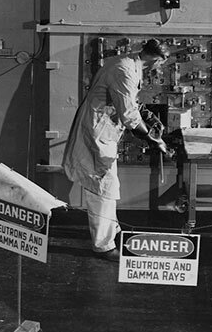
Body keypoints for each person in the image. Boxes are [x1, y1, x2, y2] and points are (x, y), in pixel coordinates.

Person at [62, 38, 171, 261]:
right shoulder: (125, 70)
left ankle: (111, 231)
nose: (159, 68)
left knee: (107, 183)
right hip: (98, 132)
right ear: (156, 59)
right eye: (161, 64)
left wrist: (148, 115)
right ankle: (103, 245)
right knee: (102, 185)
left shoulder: (127, 62)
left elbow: (126, 99)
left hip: (102, 128)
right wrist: (154, 140)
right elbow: (129, 116)